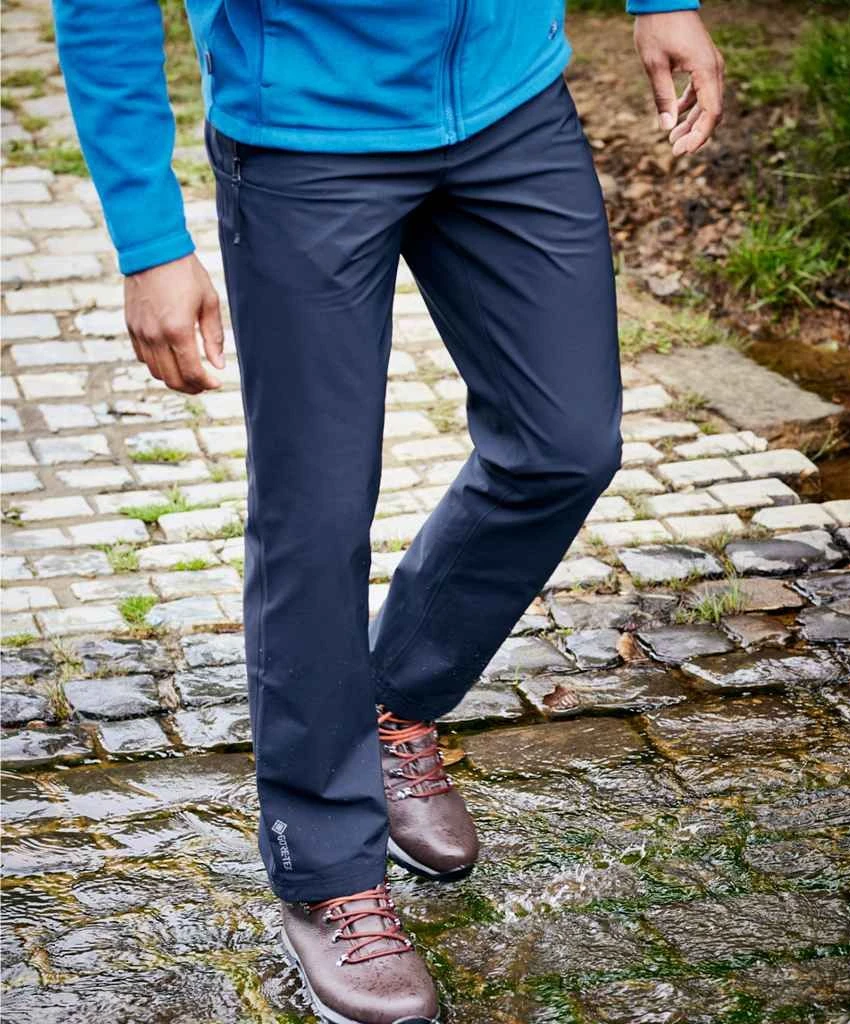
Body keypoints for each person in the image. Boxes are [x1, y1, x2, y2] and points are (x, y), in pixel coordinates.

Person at [52, 1, 723, 1020]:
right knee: (315, 519)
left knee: (564, 445)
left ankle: (387, 699)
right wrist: (150, 239)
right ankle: (326, 869)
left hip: (507, 95)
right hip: (304, 131)